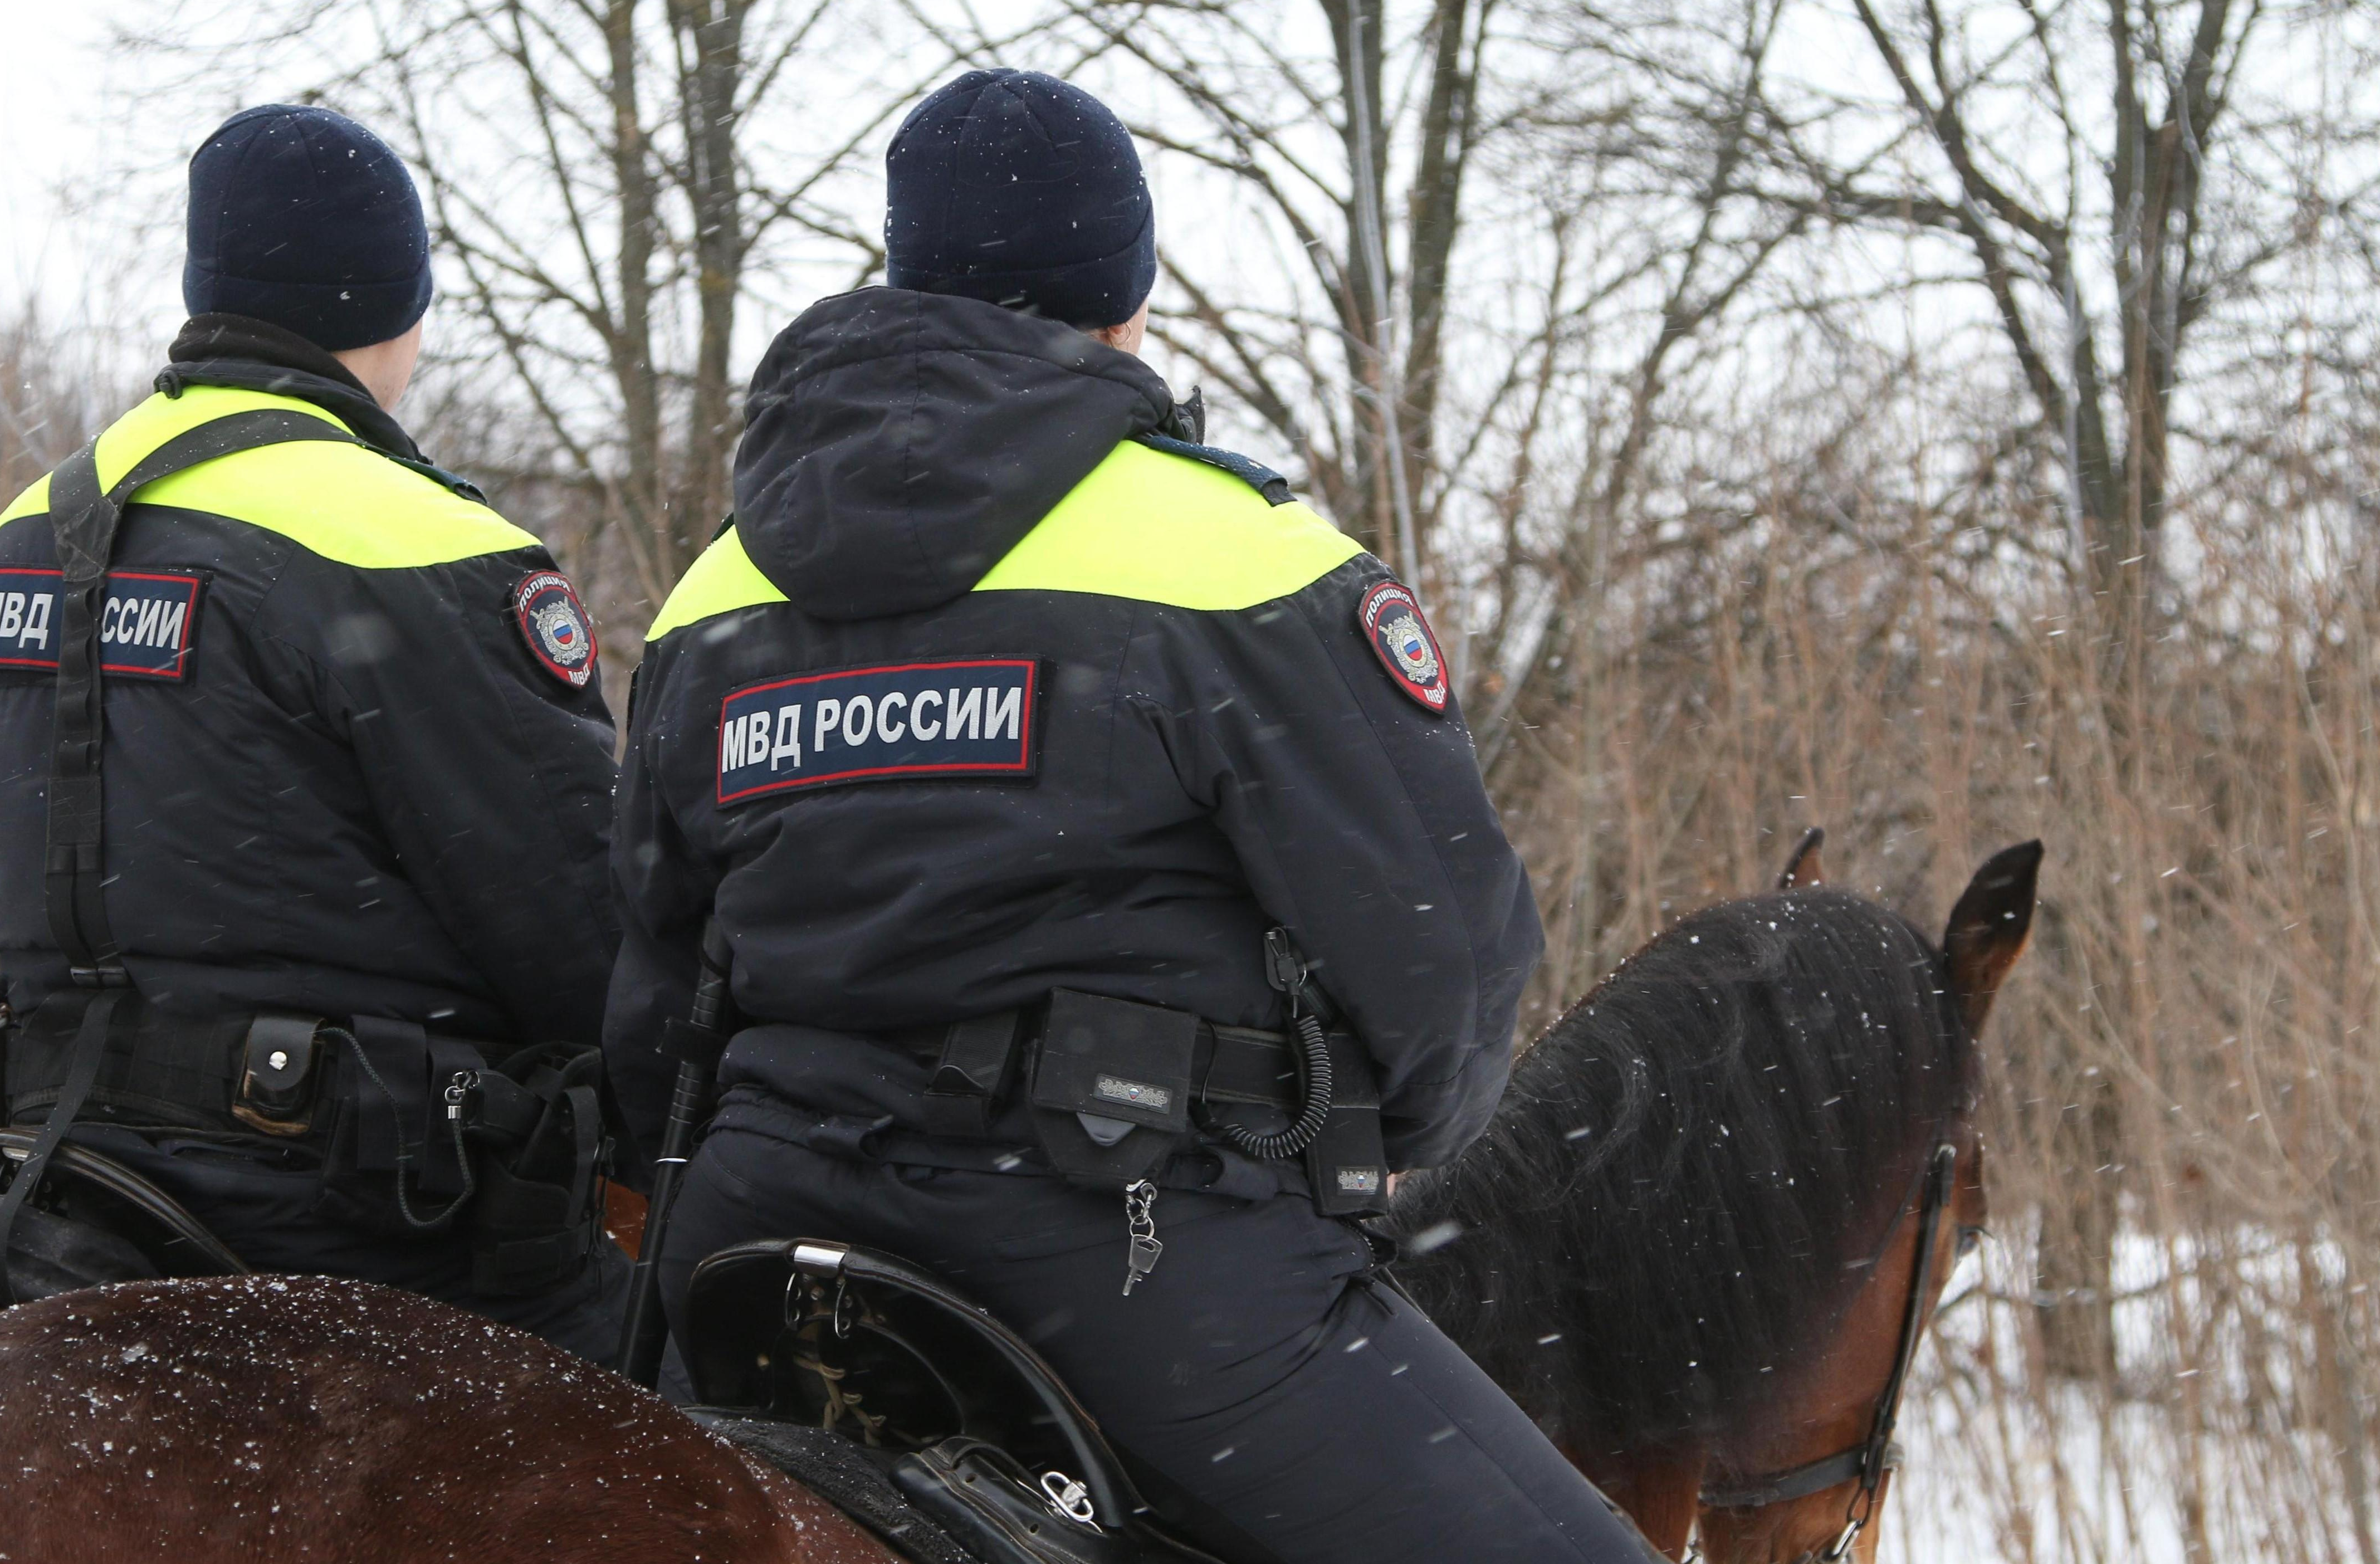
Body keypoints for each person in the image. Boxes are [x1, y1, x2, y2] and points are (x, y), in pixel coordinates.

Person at [607, 69, 1658, 1563]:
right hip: (1127, 1261)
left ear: (903, 274)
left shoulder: (720, 591)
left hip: (763, 1245)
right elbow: (1446, 953)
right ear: (1123, 296)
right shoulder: (1236, 558)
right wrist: (1393, 1145)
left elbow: (650, 989)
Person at [0, 104, 629, 1360]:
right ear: (399, 306)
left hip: (54, 1184)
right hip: (361, 1220)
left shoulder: (25, 531)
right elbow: (587, 949)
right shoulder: (412, 539)